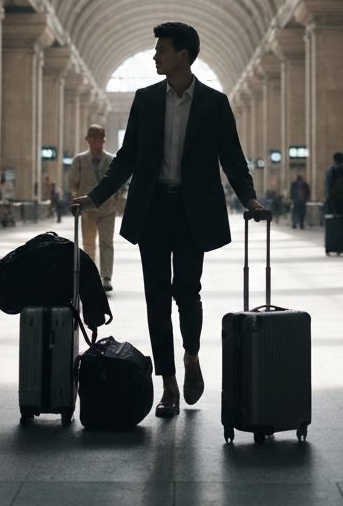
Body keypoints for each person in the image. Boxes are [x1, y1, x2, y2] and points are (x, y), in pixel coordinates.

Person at [73, 22, 264, 418]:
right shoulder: (145, 100)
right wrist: (95, 197)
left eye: (162, 50)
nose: (155, 55)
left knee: (187, 292)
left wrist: (250, 198)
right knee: (156, 296)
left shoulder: (214, 103)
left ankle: (191, 354)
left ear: (183, 55)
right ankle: (170, 383)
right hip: (154, 208)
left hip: (194, 210)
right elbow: (126, 158)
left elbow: (231, 156)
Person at [70, 125, 118, 292]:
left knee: (106, 243)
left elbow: (116, 184)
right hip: (88, 210)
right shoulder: (80, 160)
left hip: (107, 209)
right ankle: (91, 276)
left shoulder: (111, 160)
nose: (97, 142)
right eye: (94, 138)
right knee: (89, 244)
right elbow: (73, 183)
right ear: (88, 139)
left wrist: (117, 203)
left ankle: (106, 277)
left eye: (100, 138)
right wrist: (77, 201)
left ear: (104, 140)